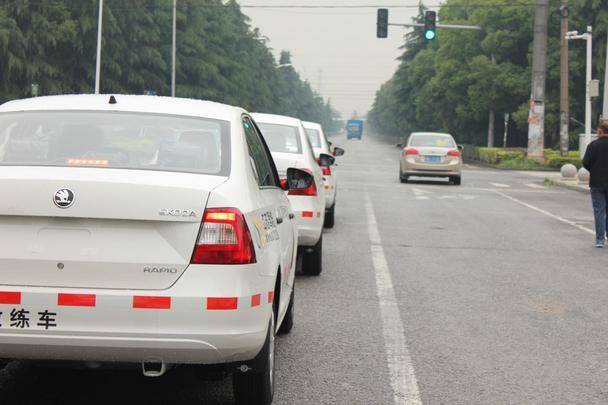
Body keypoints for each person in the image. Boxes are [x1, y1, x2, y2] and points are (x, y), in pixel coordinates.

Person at [583, 119, 608, 248]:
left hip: (597, 182)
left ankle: (600, 240)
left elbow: (585, 163)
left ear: (600, 131)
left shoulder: (593, 145)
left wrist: (594, 170)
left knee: (599, 211)